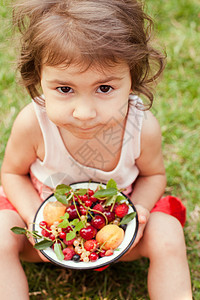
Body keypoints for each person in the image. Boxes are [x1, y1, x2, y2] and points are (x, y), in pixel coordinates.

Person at [0, 0, 192, 299]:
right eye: (65, 89)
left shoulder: (141, 127)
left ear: (132, 79)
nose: (84, 112)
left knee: (167, 232)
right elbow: (12, 173)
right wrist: (35, 220)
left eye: (104, 89)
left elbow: (153, 175)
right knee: (0, 232)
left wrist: (138, 211)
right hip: (43, 239)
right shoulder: (33, 124)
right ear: (39, 78)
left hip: (117, 232)